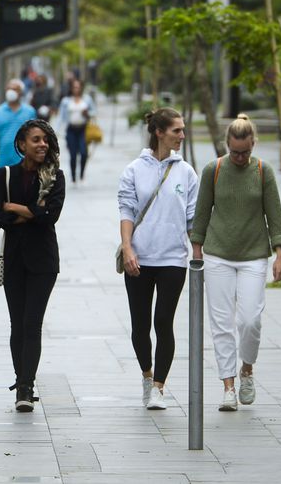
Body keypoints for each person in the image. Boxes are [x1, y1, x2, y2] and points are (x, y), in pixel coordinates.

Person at [190, 115, 281, 412]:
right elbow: (202, 213)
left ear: (253, 144)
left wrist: (280, 252)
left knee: (250, 320)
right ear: (226, 146)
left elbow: (275, 214)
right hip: (218, 254)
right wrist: (197, 251)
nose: (241, 157)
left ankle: (247, 369)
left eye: (245, 151)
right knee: (221, 324)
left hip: (254, 255)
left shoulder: (263, 170)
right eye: (235, 152)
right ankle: (228, 387)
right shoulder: (214, 170)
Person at [117, 107, 198, 410]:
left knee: (163, 322)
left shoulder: (186, 172)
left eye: (183, 129)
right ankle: (147, 375)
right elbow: (126, 210)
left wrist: (198, 252)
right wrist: (127, 248)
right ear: (159, 132)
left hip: (173, 259)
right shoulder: (134, 170)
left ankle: (159, 388)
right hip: (139, 257)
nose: (182, 135)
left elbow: (192, 217)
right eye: (177, 130)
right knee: (140, 326)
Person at [0, 119, 65, 412]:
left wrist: (16, 208)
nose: (42, 144)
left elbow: (50, 216)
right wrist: (33, 212)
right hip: (14, 260)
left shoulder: (56, 177)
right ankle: (21, 380)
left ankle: (25, 386)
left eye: (45, 140)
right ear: (21, 144)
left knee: (32, 324)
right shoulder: (3, 176)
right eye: (36, 139)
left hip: (44, 262)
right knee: (17, 325)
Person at [0, 79, 37, 169]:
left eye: (15, 89)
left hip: (25, 163)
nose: (11, 91)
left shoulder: (30, 112)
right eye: (9, 89)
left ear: (21, 92)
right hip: (3, 163)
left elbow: (35, 137)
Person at [57, 79, 97, 185]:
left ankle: (82, 175)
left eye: (78, 87)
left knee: (84, 153)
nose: (76, 89)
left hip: (83, 129)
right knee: (73, 154)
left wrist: (87, 113)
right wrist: (55, 131)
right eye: (74, 87)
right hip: (71, 130)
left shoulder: (87, 99)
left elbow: (94, 112)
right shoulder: (66, 101)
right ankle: (74, 177)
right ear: (71, 88)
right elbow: (61, 116)